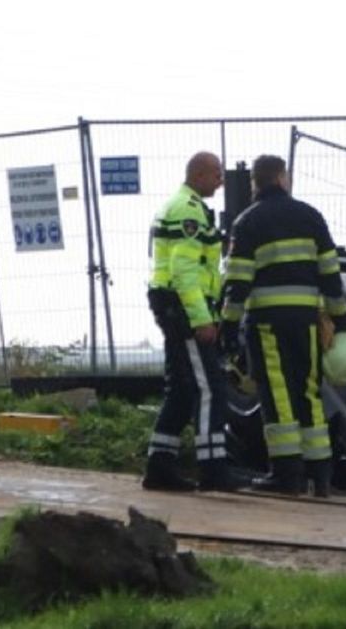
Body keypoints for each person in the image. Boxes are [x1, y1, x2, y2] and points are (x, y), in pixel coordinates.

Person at [220, 155, 346, 496]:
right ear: (282, 178)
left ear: (255, 183)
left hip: (268, 322)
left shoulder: (247, 222)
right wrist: (338, 316)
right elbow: (330, 271)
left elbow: (238, 280)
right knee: (308, 390)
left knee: (278, 393)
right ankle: (321, 476)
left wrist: (229, 326)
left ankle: (286, 475)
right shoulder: (310, 216)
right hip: (307, 320)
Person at [142, 151, 242, 492]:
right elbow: (185, 272)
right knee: (208, 388)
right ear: (198, 174)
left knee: (183, 388)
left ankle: (160, 464)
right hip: (184, 309)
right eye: (216, 173)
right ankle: (213, 468)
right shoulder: (188, 210)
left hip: (175, 305)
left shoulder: (187, 206)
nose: (221, 179)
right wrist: (202, 319)